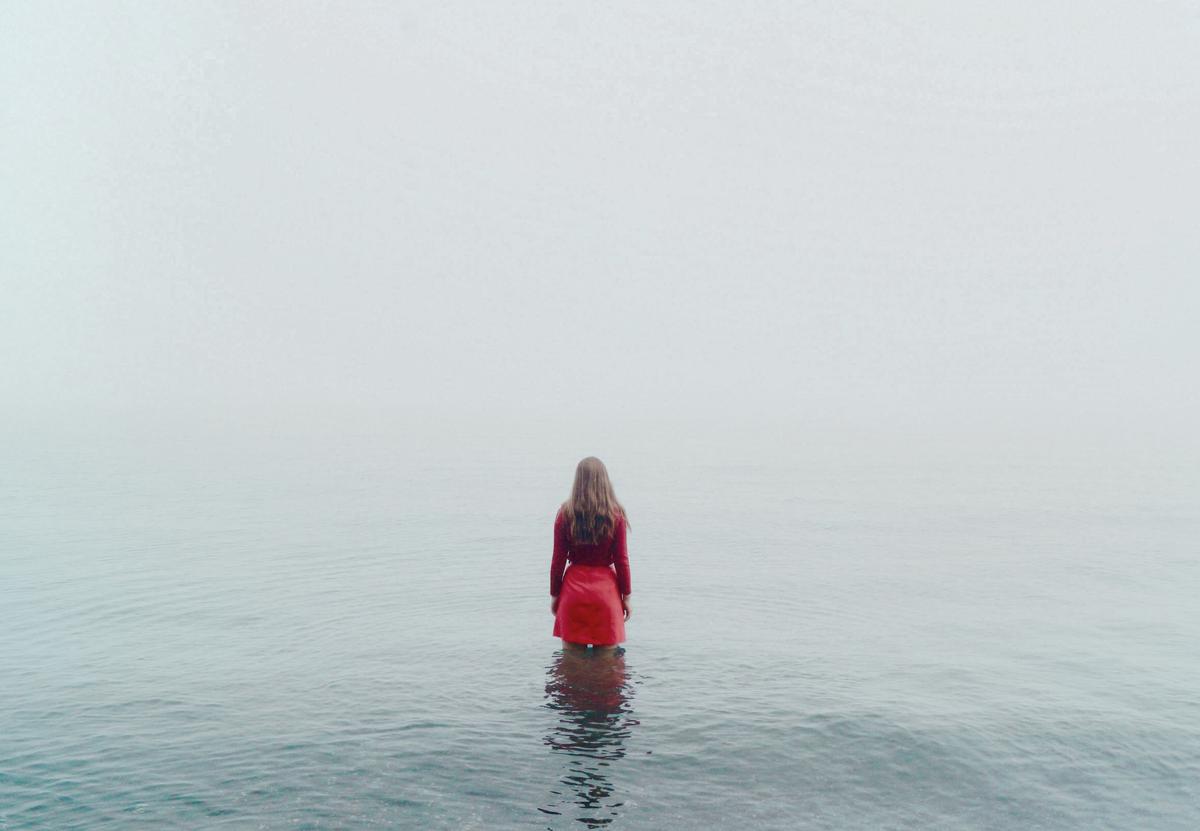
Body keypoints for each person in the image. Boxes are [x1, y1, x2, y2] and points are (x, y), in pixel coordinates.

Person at [550, 456, 632, 652]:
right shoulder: (616, 515)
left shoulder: (565, 514)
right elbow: (622, 561)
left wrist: (555, 595)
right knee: (607, 672)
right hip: (606, 594)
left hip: (573, 593)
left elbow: (557, 562)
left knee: (570, 670)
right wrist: (626, 596)